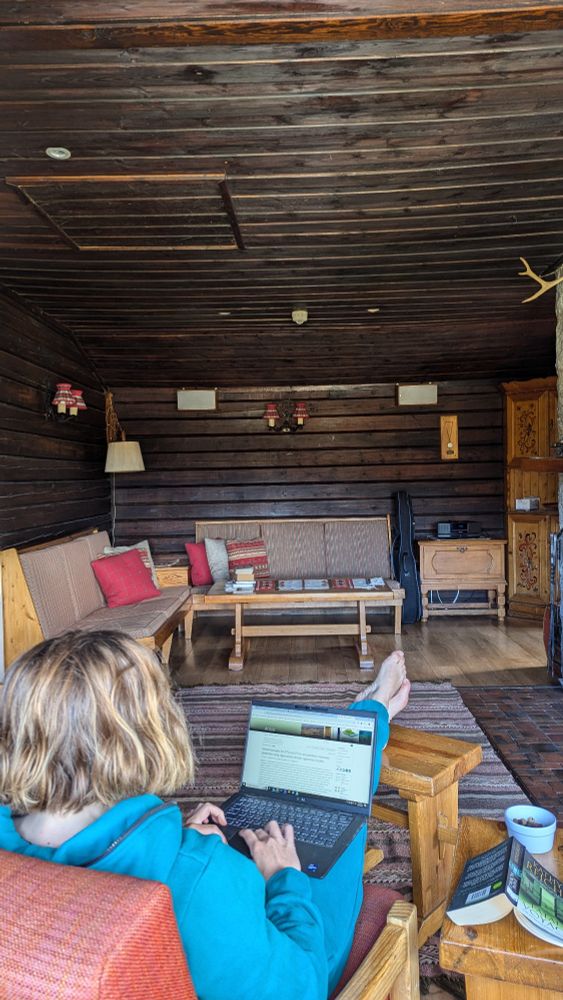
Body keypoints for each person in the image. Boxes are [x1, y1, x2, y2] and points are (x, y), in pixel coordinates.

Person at [0, 630, 410, 1000]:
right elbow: (303, 987)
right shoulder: (198, 877)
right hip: (296, 965)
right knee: (337, 818)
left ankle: (371, 713)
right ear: (148, 736)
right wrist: (284, 878)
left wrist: (174, 836)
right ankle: (371, 715)